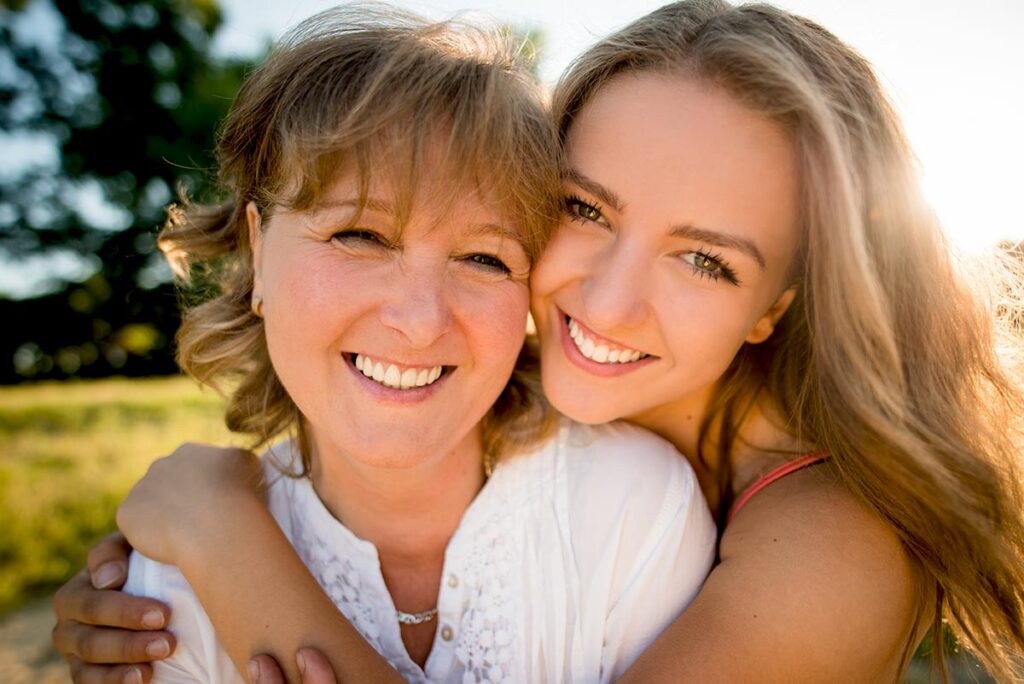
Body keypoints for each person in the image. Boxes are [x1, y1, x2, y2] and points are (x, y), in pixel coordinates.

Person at [53, 1, 1024, 682]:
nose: (605, 297)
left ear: (777, 303)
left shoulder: (828, 548)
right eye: (583, 209)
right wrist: (151, 591)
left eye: (706, 262)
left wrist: (220, 536)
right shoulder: (535, 388)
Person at [49, 5, 721, 684]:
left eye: (485, 258)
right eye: (360, 236)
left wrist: (221, 535)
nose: (421, 321)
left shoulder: (631, 507)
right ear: (257, 253)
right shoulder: (164, 595)